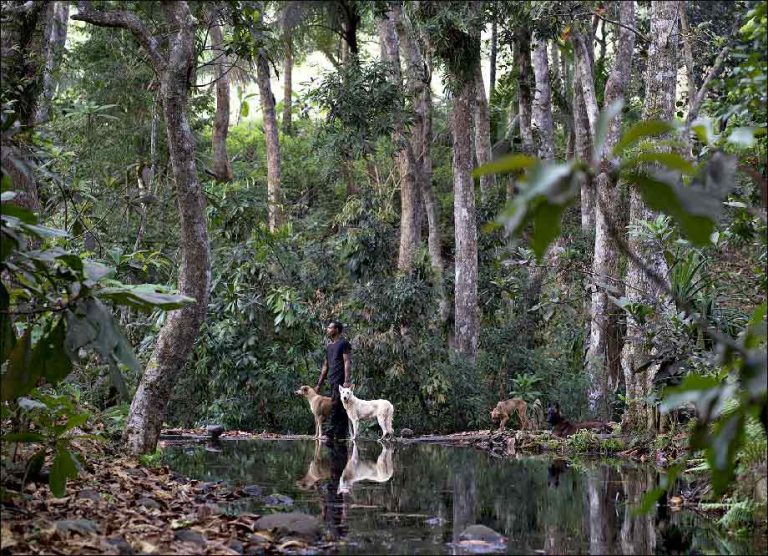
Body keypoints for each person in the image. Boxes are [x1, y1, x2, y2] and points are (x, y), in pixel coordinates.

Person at [315, 320, 352, 441]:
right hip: (332, 379)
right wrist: (319, 384)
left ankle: (329, 433)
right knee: (341, 407)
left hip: (340, 380)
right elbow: (325, 366)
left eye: (330, 328)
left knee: (335, 404)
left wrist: (347, 380)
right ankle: (341, 434)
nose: (327, 329)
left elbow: (347, 361)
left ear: (336, 330)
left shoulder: (343, 343)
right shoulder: (329, 346)